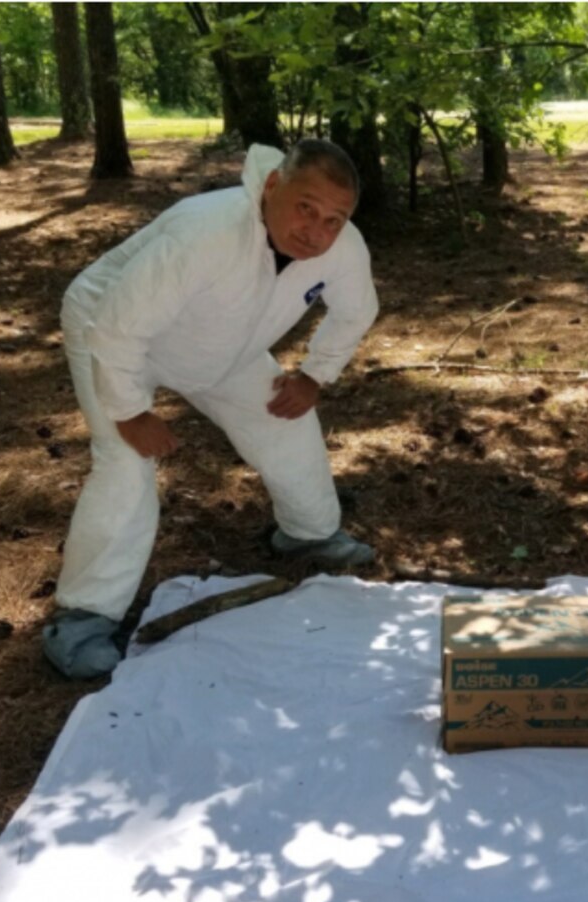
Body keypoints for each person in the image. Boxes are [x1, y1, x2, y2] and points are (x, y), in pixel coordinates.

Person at [43, 139, 379, 679]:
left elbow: (357, 311)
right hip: (112, 331)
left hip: (223, 346)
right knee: (125, 463)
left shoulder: (343, 249)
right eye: (305, 208)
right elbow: (118, 326)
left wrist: (315, 375)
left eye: (334, 220)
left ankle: (308, 532)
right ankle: (83, 616)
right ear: (272, 186)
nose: (316, 231)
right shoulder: (207, 231)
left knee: (286, 421)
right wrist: (130, 412)